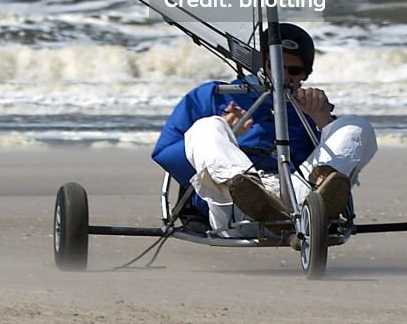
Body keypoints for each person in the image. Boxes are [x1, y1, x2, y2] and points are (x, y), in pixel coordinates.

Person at [152, 23, 377, 232]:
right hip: (233, 202)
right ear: (261, 65)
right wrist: (229, 133)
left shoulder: (309, 105)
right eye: (276, 66)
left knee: (355, 124)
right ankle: (249, 188)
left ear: (305, 74)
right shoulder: (213, 95)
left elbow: (345, 152)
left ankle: (323, 191)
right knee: (207, 126)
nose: (283, 76)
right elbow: (165, 154)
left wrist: (321, 119)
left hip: (298, 199)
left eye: (294, 70)